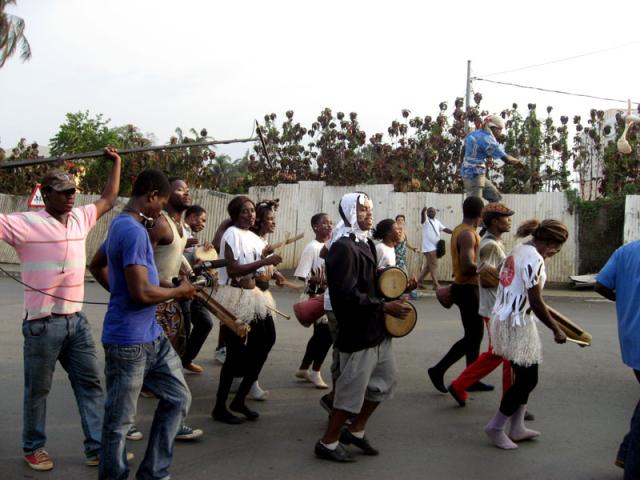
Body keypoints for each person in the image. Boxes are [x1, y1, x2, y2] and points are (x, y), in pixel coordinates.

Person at [0, 148, 121, 471]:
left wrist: (116, 163)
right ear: (46, 193)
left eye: (73, 192)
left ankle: (96, 447)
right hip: (42, 324)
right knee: (38, 391)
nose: (71, 197)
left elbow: (109, 198)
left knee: (90, 384)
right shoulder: (24, 223)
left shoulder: (81, 217)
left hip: (75, 321)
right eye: (64, 193)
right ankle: (33, 447)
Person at [89, 168, 198, 479]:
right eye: (161, 203)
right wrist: (179, 291)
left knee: (178, 398)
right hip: (128, 343)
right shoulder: (135, 232)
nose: (161, 210)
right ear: (151, 196)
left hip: (151, 335)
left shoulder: (123, 224)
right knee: (119, 422)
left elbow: (98, 265)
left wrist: (124, 289)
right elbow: (141, 293)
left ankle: (154, 472)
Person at [314, 192, 412, 462]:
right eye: (362, 209)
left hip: (377, 330)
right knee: (349, 395)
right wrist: (384, 307)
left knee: (384, 383)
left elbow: (372, 281)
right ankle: (328, 442)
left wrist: (399, 284)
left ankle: (355, 431)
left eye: (370, 208)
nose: (369, 213)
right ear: (348, 213)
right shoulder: (342, 247)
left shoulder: (366, 243)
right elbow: (346, 294)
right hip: (357, 332)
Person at [485, 219, 568, 449]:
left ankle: (517, 427)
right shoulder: (534, 257)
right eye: (556, 248)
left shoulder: (520, 249)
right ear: (550, 242)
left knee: (523, 378)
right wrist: (556, 329)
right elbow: (536, 302)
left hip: (506, 319)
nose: (554, 253)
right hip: (516, 324)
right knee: (527, 380)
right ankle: (495, 426)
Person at [211, 196, 282, 424]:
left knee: (266, 340)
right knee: (234, 354)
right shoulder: (231, 234)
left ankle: (240, 398)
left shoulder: (254, 238)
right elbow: (232, 270)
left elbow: (261, 271)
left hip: (255, 297)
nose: (250, 214)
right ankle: (220, 407)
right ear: (234, 215)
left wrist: (273, 272)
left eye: (252, 211)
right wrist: (263, 263)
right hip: (236, 297)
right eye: (244, 211)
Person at [147, 177, 204, 441]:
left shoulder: (181, 227)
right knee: (141, 374)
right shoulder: (160, 224)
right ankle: (126, 426)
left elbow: (175, 258)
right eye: (180, 189)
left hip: (172, 304)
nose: (186, 192)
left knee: (171, 370)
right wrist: (173, 285)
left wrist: (188, 278)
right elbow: (141, 266)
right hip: (153, 307)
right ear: (167, 195)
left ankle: (173, 422)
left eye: (187, 188)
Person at [448, 203, 515, 406]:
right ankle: (510, 402)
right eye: (506, 217)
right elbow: (487, 279)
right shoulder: (489, 245)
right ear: (495, 222)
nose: (509, 220)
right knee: (504, 353)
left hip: (496, 305)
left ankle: (461, 385)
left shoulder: (494, 242)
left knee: (498, 352)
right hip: (496, 306)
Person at [427, 197, 493, 393]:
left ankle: (471, 378)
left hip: (466, 288)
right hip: (467, 289)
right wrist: (490, 269)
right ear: (480, 214)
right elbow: (467, 265)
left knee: (474, 336)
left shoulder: (460, 230)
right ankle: (438, 370)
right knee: (473, 337)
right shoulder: (467, 235)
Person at [595, 241, 640, 477]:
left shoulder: (626, 251)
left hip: (632, 338)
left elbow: (600, 285)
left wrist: (623, 300)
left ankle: (625, 453)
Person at [294, 212, 333, 389]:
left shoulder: (332, 246)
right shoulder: (312, 247)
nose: (329, 225)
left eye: (330, 223)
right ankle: (315, 371)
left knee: (320, 336)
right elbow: (302, 275)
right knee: (325, 336)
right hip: (316, 296)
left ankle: (304, 368)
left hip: (328, 295)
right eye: (325, 223)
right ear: (315, 227)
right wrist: (315, 279)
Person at [180, 204, 216, 373]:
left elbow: (191, 260)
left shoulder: (191, 236)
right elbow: (169, 252)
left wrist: (203, 252)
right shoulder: (179, 230)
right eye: (202, 220)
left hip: (192, 288)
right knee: (182, 330)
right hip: (178, 288)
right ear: (192, 217)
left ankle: (186, 359)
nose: (203, 224)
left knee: (205, 323)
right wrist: (183, 243)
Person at [461, 114, 524, 202]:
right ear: (492, 127)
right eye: (500, 129)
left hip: (470, 172)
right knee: (476, 205)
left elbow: (463, 150)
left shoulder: (474, 133)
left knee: (495, 197)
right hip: (475, 175)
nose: (500, 133)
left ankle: (492, 215)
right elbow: (506, 158)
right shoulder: (487, 139)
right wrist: (519, 163)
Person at [418, 207, 452, 289]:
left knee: (428, 267)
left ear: (435, 212)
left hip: (435, 247)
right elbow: (422, 220)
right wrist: (422, 212)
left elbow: (444, 229)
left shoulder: (437, 222)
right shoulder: (426, 221)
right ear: (427, 213)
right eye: (429, 212)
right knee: (433, 265)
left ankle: (418, 282)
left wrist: (454, 232)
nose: (431, 213)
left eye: (432, 211)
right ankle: (436, 285)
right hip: (429, 248)